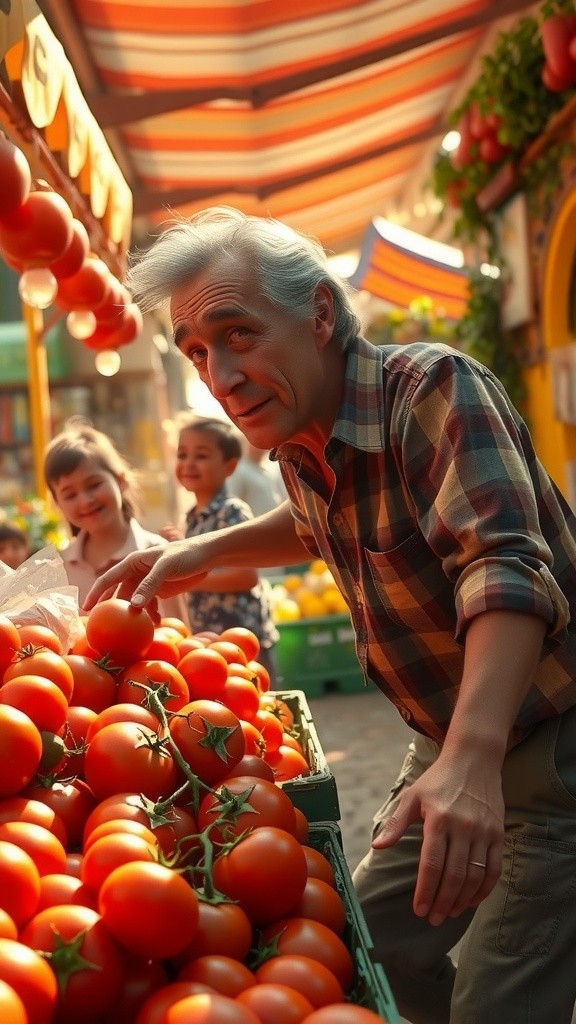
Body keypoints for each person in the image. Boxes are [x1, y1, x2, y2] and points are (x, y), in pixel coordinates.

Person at [84, 206, 576, 1024]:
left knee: (499, 1001)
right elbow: (318, 523)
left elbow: (505, 569)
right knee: (368, 945)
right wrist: (196, 552)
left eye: (239, 334)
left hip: (548, 744)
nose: (220, 377)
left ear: (318, 312)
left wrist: (470, 760)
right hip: (451, 740)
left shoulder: (432, 391)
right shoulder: (303, 439)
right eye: (198, 352)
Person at [161, 413, 279, 683]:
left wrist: (188, 578)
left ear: (229, 466)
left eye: (201, 456)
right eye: (182, 455)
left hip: (244, 641)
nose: (188, 463)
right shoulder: (192, 518)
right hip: (210, 642)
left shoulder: (232, 512)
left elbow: (246, 576)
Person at [44, 418, 188, 626]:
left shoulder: (157, 554)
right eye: (70, 495)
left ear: (121, 480)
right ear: (57, 504)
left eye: (94, 485)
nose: (85, 501)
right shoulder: (58, 567)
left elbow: (176, 633)